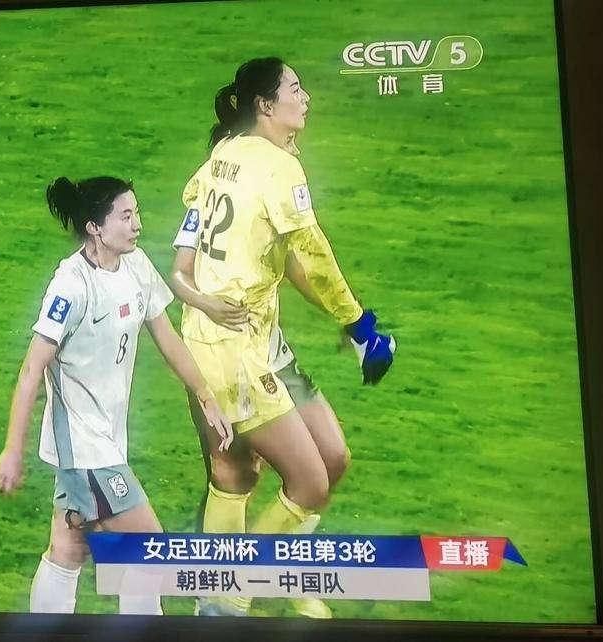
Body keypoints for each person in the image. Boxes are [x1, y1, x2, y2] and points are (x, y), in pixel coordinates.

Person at [170, 57, 396, 618]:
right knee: (282, 478)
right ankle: (231, 595)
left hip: (257, 341)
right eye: (295, 88)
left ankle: (253, 581)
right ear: (266, 105)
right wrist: (360, 325)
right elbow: (313, 255)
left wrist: (351, 321)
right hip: (230, 347)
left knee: (332, 457)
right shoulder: (277, 168)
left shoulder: (225, 154)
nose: (307, 97)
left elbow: (288, 261)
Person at [0, 176, 233, 615]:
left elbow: (166, 335)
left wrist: (205, 395)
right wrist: (12, 450)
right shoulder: (71, 286)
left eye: (136, 213)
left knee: (69, 549)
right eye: (125, 216)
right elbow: (31, 370)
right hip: (84, 449)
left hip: (106, 440)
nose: (137, 224)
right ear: (95, 227)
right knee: (148, 549)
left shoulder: (136, 265)